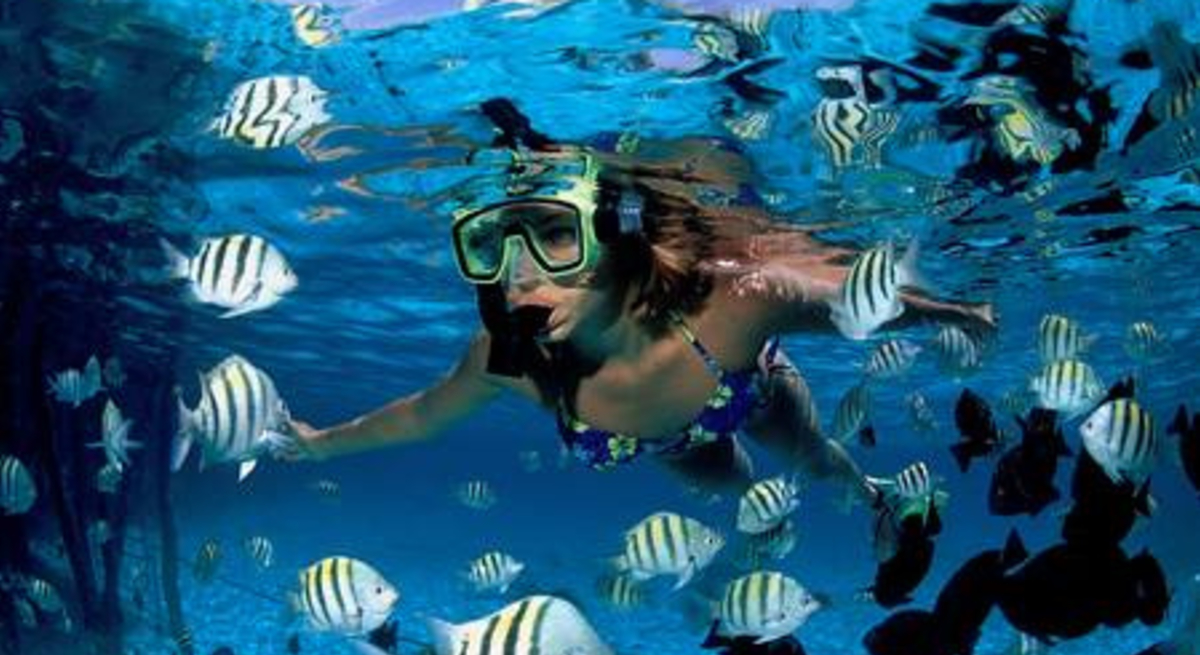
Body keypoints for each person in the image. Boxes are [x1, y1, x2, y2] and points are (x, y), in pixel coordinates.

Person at [275, 106, 994, 505]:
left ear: (617, 237)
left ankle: (866, 492)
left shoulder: (733, 303)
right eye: (492, 245)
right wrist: (318, 444)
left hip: (746, 385)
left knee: (810, 457)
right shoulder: (510, 360)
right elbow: (424, 414)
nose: (520, 277)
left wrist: (958, 315)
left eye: (557, 233)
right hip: (669, 443)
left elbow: (858, 303)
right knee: (740, 496)